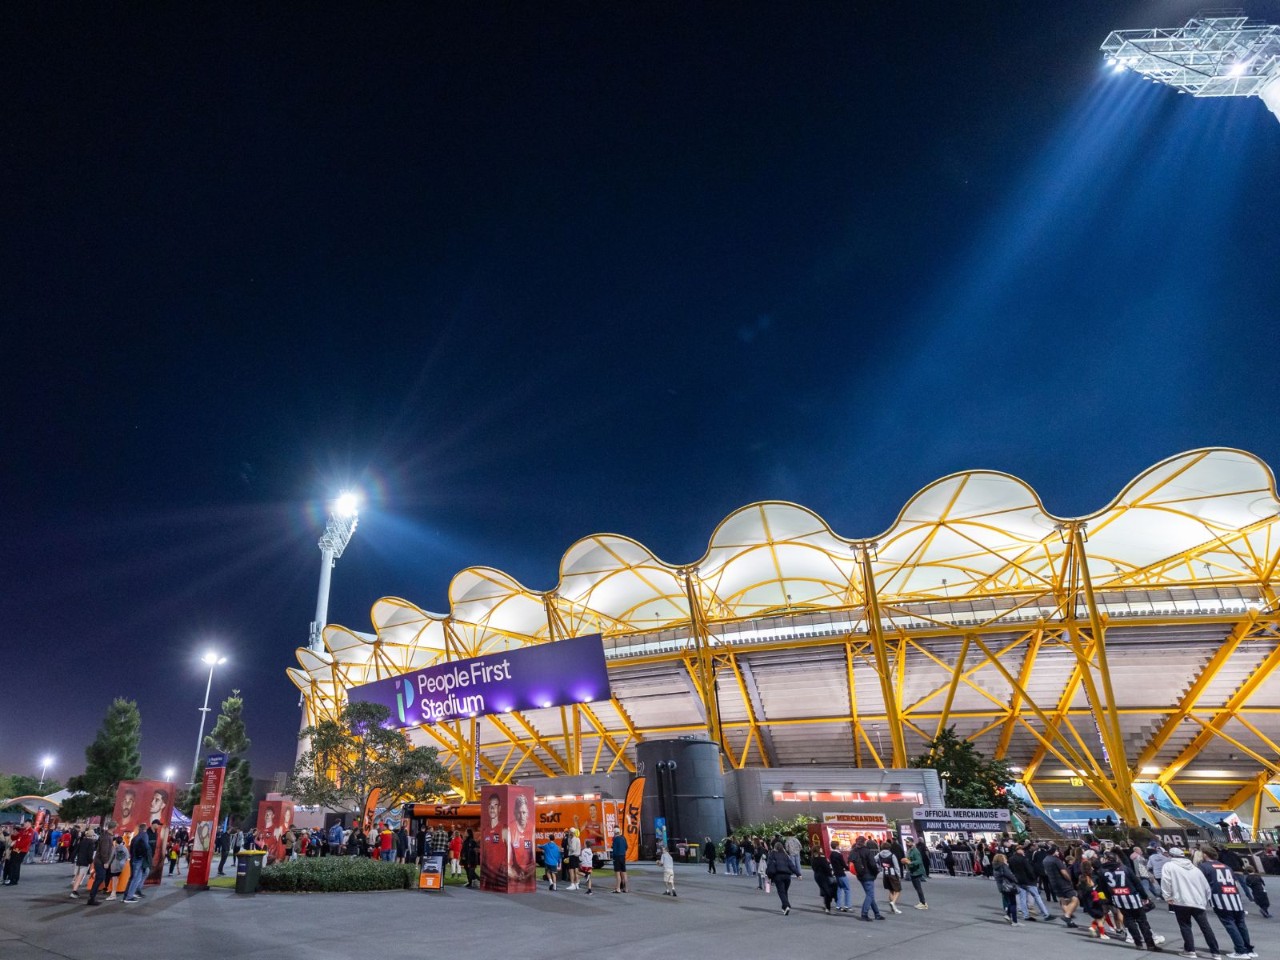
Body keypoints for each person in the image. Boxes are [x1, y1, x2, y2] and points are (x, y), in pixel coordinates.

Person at [1161, 846, 1223, 959]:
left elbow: (1166, 881)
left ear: (1171, 856)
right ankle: (1215, 952)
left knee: (1185, 926)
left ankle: (1190, 950)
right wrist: (1205, 899)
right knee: (1205, 927)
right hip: (1197, 901)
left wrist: (1167, 896)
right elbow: (1205, 886)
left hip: (1180, 900)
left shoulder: (1169, 866)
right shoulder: (1195, 868)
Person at [1198, 845, 1254, 959]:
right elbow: (1235, 883)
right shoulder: (1226, 867)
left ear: (1205, 854)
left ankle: (1240, 950)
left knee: (1230, 924)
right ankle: (1248, 949)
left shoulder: (1204, 867)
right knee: (1241, 924)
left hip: (1220, 899)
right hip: (1234, 898)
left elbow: (1201, 883)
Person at [1100, 850, 1162, 951]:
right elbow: (1137, 884)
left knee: (1129, 921)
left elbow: (1104, 888)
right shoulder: (1124, 869)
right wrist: (1144, 896)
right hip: (1132, 897)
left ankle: (1138, 943)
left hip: (1118, 898)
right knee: (1142, 921)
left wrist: (1110, 898)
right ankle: (1150, 944)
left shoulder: (1102, 871)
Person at [1009, 844, 1051, 922]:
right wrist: (1034, 878)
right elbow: (1029, 870)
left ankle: (1026, 915)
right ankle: (1046, 914)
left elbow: (1011, 870)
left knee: (1022, 898)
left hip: (1018, 881)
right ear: (1020, 850)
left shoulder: (1011, 859)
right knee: (1037, 896)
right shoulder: (1023, 859)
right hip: (1028, 881)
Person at [1042, 844, 1080, 927]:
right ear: (1053, 851)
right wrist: (1069, 879)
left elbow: (1045, 872)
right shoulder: (1056, 860)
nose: (1058, 852)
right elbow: (1064, 872)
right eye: (1056, 851)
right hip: (1063, 882)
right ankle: (1067, 916)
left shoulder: (1045, 860)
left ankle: (1069, 921)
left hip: (1053, 882)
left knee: (1063, 900)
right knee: (1075, 899)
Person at [852, 837, 884, 921]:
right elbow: (873, 864)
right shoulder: (867, 851)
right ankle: (864, 913)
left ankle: (877, 913)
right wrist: (876, 872)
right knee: (870, 895)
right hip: (868, 875)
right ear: (864, 842)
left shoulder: (854, 851)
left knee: (870, 895)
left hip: (860, 875)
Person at [765, 840, 799, 915]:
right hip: (787, 876)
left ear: (775, 847)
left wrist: (769, 875)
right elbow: (791, 865)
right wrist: (798, 874)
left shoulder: (772, 854)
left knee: (781, 892)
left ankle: (786, 905)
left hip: (778, 875)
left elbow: (770, 865)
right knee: (785, 891)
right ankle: (784, 907)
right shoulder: (785, 855)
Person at [123, 825, 152, 902]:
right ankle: (129, 897)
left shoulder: (135, 837)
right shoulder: (144, 836)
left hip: (134, 859)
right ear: (145, 829)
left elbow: (131, 849)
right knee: (136, 878)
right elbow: (146, 847)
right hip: (139, 859)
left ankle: (127, 895)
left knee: (133, 877)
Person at [992, 853, 1020, 925]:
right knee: (1013, 903)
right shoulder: (1003, 866)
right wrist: (1016, 880)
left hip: (1002, 887)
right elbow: (1009, 875)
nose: (1006, 859)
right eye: (1004, 858)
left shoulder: (995, 867)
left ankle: (1008, 915)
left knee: (1010, 902)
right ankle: (1014, 921)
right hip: (1009, 886)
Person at [3, 820, 34, 886]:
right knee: (13, 864)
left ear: (29, 823)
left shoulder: (30, 831)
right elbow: (17, 837)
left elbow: (26, 842)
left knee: (15, 865)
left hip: (21, 850)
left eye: (25, 823)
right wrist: (12, 834)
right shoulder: (24, 830)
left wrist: (16, 847)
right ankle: (12, 879)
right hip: (17, 849)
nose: (24, 824)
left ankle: (14, 880)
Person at [70, 827, 97, 897]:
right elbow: (89, 853)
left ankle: (74, 888)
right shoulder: (91, 843)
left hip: (79, 860)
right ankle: (74, 891)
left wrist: (72, 858)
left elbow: (76, 850)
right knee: (80, 876)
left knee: (77, 875)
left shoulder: (82, 841)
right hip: (85, 861)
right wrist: (91, 861)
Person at [877, 846, 904, 914]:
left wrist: (878, 866)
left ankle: (893, 908)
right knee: (898, 890)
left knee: (891, 890)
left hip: (885, 874)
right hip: (892, 874)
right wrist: (899, 875)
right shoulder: (892, 855)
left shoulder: (879, 854)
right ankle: (893, 902)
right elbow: (896, 866)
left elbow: (874, 859)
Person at [811, 843, 835, 914]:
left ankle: (827, 905)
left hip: (817, 875)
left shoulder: (813, 857)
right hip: (823, 875)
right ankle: (828, 908)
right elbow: (826, 867)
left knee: (825, 890)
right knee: (828, 891)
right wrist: (831, 874)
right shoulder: (821, 857)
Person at [905, 840, 928, 909]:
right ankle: (922, 902)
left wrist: (910, 863)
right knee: (917, 888)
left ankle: (923, 903)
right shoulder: (910, 851)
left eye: (908, 842)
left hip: (916, 872)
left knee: (918, 888)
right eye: (906, 842)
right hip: (912, 871)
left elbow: (919, 861)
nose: (907, 843)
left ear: (912, 842)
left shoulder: (915, 851)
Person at [830, 842, 852, 912]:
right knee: (847, 889)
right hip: (841, 873)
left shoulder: (831, 854)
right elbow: (843, 864)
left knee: (839, 889)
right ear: (836, 846)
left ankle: (838, 905)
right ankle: (847, 906)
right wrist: (848, 868)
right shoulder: (839, 855)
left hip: (836, 873)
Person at [611, 828, 629, 893]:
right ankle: (626, 888)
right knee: (624, 872)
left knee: (617, 873)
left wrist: (613, 857)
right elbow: (626, 847)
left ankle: (618, 888)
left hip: (617, 857)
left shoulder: (615, 839)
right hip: (623, 856)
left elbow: (614, 849)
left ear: (615, 833)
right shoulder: (623, 838)